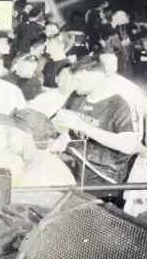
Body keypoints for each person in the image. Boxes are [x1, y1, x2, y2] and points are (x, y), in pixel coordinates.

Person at [54, 56, 141, 185]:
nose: (74, 84)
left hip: (102, 174)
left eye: (78, 80)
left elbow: (129, 146)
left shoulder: (121, 105)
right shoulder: (76, 96)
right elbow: (62, 127)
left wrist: (82, 126)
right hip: (73, 162)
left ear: (95, 77)